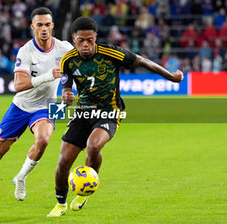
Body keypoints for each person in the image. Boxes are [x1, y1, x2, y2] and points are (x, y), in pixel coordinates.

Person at [47, 16, 183, 217]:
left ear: (95, 38)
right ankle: (60, 204)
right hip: (83, 112)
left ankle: (85, 190)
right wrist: (67, 93)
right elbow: (67, 83)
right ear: (74, 38)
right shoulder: (68, 60)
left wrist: (170, 76)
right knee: (64, 161)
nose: (85, 45)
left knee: (93, 146)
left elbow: (142, 61)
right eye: (80, 41)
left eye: (90, 40)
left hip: (109, 111)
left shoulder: (110, 53)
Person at [0, 7, 73, 206]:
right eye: (39, 25)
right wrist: (49, 76)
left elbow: (77, 68)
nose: (44, 29)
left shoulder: (64, 48)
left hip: (48, 105)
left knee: (43, 140)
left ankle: (21, 177)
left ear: (53, 26)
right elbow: (18, 85)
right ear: (32, 27)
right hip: (21, 106)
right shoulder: (26, 51)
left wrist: (69, 89)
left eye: (47, 25)